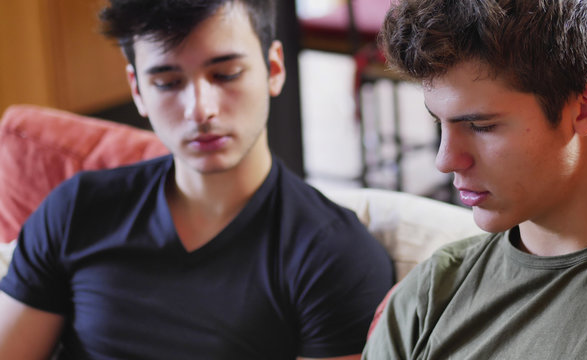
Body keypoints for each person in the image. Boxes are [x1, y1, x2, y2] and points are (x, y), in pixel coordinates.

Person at [0, 0, 394, 359]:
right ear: (138, 90)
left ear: (273, 70)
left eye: (225, 74)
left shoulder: (333, 256)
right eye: (168, 83)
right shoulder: (76, 211)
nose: (200, 110)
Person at [363, 0, 587, 358]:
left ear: (585, 106)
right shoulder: (430, 295)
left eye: (481, 126)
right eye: (439, 122)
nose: (445, 161)